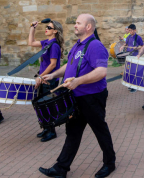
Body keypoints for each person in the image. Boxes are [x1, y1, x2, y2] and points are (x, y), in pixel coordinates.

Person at [39, 14, 116, 178]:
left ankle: (110, 163)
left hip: (92, 97)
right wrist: (53, 75)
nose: (75, 25)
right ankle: (61, 168)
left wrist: (78, 81)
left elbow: (101, 72)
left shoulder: (95, 46)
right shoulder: (78, 45)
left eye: (78, 23)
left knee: (100, 130)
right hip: (77, 97)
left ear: (88, 27)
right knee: (73, 132)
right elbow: (70, 65)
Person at [28, 19, 64, 142]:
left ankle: (52, 131)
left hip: (49, 79)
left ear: (55, 31)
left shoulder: (54, 45)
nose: (46, 29)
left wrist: (40, 76)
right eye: (47, 27)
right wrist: (32, 27)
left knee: (48, 105)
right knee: (41, 104)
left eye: (49, 27)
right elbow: (31, 43)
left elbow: (53, 65)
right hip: (43, 78)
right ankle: (46, 128)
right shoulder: (46, 43)